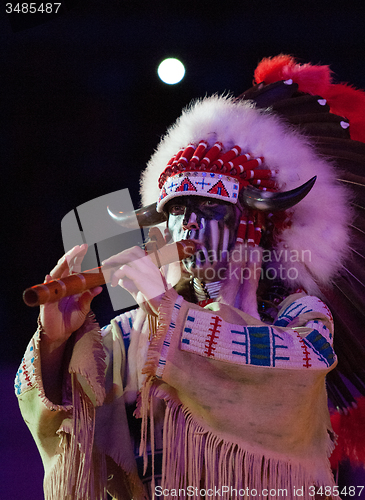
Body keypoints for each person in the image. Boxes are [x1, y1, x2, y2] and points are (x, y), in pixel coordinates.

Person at [15, 55, 365, 500]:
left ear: (251, 225)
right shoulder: (130, 331)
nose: (188, 228)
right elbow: (74, 428)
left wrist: (169, 309)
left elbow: (294, 377)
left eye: (210, 210)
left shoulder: (297, 317)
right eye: (176, 212)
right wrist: (57, 341)